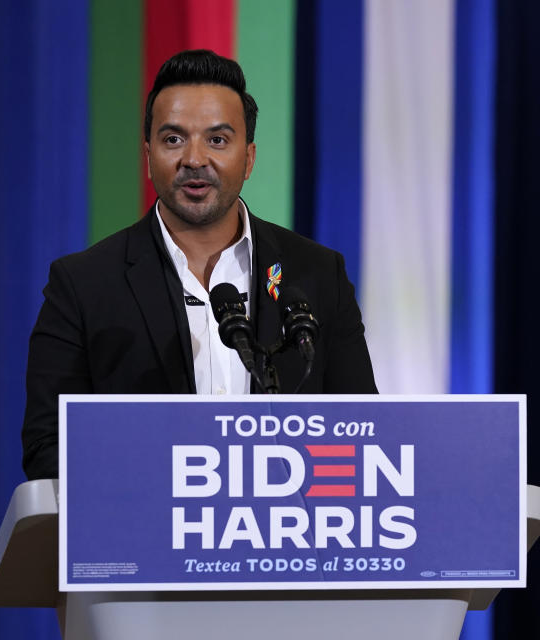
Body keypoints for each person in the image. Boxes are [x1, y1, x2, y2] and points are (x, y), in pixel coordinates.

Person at [21, 50, 377, 480]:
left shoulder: (317, 274)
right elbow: (47, 449)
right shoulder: (83, 285)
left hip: (283, 538)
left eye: (217, 140)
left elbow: (362, 434)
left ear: (248, 158)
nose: (194, 158)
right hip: (145, 537)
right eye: (173, 139)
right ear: (148, 154)